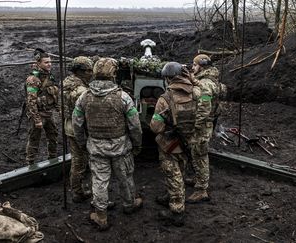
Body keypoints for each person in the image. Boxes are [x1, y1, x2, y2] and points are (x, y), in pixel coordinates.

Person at [72, 57, 143, 230]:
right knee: (125, 177)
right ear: (113, 74)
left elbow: (77, 123)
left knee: (99, 180)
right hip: (121, 147)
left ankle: (101, 215)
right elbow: (135, 125)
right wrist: (137, 144)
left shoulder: (84, 97)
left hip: (96, 147)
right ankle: (129, 204)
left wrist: (82, 143)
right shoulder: (123, 97)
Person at [150, 62, 207, 226]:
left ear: (168, 78)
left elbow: (156, 127)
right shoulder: (197, 92)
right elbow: (204, 113)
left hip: (171, 142)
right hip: (190, 139)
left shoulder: (165, 99)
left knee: (172, 172)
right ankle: (170, 196)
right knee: (180, 168)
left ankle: (176, 210)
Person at [185, 54, 226, 202]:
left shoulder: (206, 84)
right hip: (207, 122)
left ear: (201, 66)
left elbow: (204, 107)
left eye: (194, 65)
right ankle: (198, 178)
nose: (192, 67)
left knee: (200, 155)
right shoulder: (209, 79)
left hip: (203, 125)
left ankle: (201, 189)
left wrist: (195, 125)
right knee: (197, 153)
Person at [63, 56, 94, 203]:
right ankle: (78, 192)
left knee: (77, 161)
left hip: (69, 125)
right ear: (80, 72)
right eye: (88, 70)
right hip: (80, 129)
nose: (91, 73)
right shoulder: (82, 91)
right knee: (81, 162)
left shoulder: (66, 83)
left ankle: (77, 191)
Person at [25, 48, 60, 165]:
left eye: (50, 62)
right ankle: (30, 163)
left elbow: (55, 94)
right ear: (38, 63)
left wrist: (59, 110)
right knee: (34, 140)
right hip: (39, 114)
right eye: (46, 62)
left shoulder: (49, 76)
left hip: (49, 113)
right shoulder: (33, 80)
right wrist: (37, 120)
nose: (49, 64)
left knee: (53, 137)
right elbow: (31, 102)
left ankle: (53, 160)